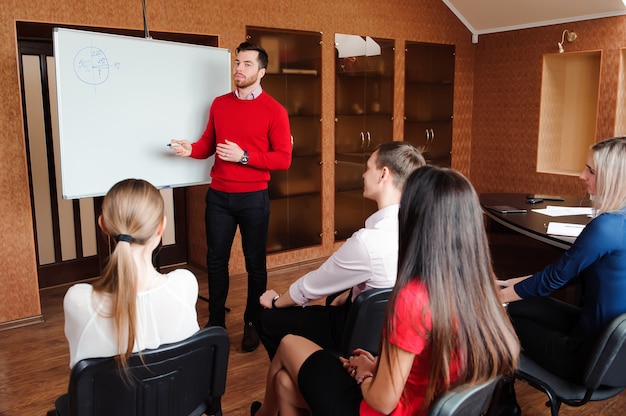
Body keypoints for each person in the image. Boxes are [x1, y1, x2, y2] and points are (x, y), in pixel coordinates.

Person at [251, 166, 520, 416]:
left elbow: (382, 401)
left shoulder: (414, 298)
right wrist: (379, 365)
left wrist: (364, 375)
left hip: (382, 408)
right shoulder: (482, 286)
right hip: (419, 402)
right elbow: (424, 364)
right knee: (285, 384)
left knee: (288, 343)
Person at [170, 42, 292, 352]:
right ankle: (216, 323)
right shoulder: (219, 104)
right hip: (219, 198)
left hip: (254, 199)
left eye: (248, 64)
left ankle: (253, 323)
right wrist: (190, 150)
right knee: (215, 262)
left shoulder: (275, 111)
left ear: (261, 72)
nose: (239, 68)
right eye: (238, 62)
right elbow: (207, 145)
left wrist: (245, 156)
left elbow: (283, 159)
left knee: (255, 265)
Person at [256, 141, 425, 359]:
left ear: (383, 174)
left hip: (356, 332)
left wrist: (276, 301)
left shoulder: (368, 241)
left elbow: (312, 286)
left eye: (368, 168)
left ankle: (301, 370)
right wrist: (351, 293)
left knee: (266, 318)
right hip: (392, 330)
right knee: (336, 296)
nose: (363, 175)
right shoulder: (421, 227)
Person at [499, 136, 626, 386]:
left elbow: (553, 279)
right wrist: (506, 284)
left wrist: (498, 297)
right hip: (610, 350)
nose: (582, 175)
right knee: (520, 304)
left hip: (585, 358)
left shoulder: (606, 228)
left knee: (500, 314)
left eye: (590, 170)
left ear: (613, 178)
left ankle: (503, 402)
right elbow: (565, 274)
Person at [63, 178, 200, 370]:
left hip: (110, 401)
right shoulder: (185, 285)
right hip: (182, 400)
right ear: (161, 226)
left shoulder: (78, 300)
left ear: (103, 225)